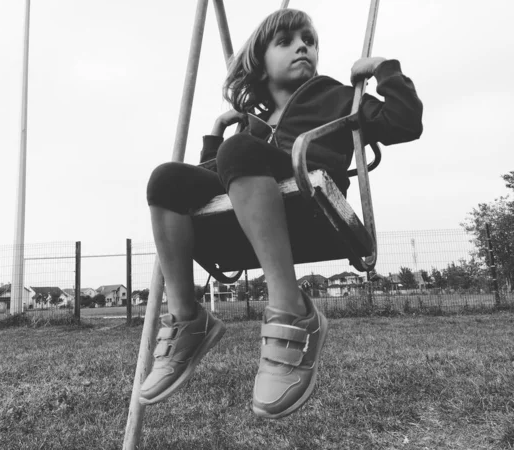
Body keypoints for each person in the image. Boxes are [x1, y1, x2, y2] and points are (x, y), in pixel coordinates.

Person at [140, 8, 423, 419]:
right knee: (165, 180)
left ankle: (291, 310)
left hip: (311, 204)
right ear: (261, 60)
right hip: (253, 216)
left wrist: (384, 69)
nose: (303, 47)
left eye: (309, 40)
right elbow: (209, 181)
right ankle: (188, 319)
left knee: (236, 153)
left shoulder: (337, 95)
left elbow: (405, 122)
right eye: (286, 41)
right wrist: (216, 134)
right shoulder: (251, 128)